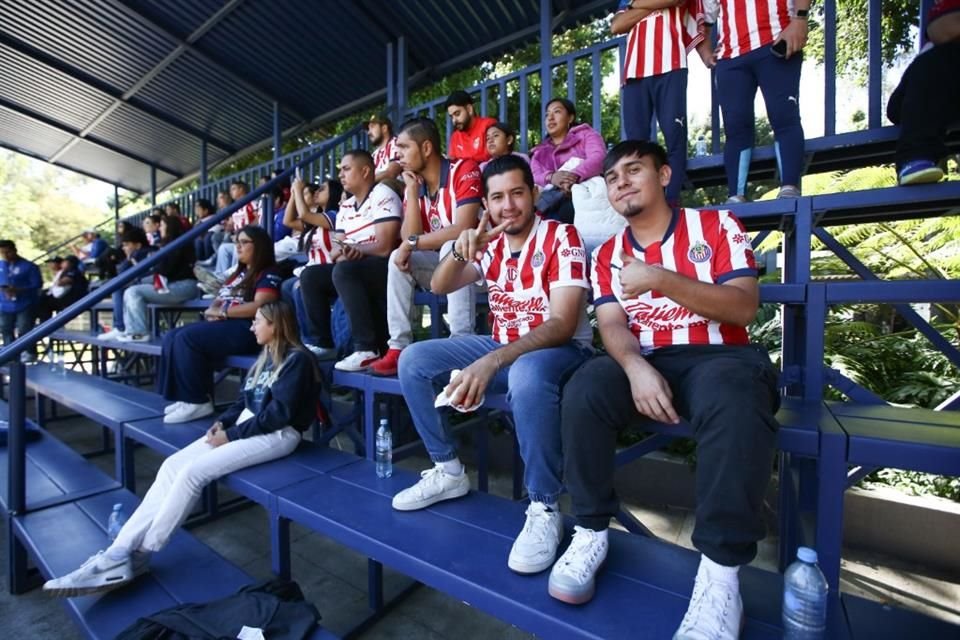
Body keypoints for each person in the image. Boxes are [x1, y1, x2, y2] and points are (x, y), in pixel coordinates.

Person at [549, 142, 778, 640]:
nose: (621, 183)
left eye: (634, 171)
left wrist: (659, 278)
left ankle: (720, 574)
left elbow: (742, 309)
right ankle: (590, 530)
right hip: (647, 359)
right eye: (612, 177)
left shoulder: (715, 227)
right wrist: (634, 367)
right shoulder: (608, 253)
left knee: (737, 398)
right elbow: (611, 323)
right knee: (585, 385)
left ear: (665, 174)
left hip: (720, 358)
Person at [392, 155, 593, 576]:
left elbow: (561, 324)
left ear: (535, 195)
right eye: (498, 197)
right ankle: (447, 469)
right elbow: (438, 284)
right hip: (502, 346)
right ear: (486, 204)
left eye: (517, 193)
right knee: (414, 359)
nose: (509, 206)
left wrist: (491, 361)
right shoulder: (493, 242)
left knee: (524, 372)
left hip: (558, 354)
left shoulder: (561, 235)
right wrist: (463, 248)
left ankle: (544, 505)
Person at [42, 300, 320, 597]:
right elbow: (242, 403)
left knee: (191, 473)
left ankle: (142, 553)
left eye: (257, 321)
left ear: (275, 325)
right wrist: (221, 424)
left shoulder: (297, 360)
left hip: (277, 434)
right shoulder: (264, 356)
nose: (251, 326)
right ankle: (118, 551)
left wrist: (232, 435)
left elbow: (278, 416)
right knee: (172, 465)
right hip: (246, 426)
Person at [368, 118, 483, 377]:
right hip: (447, 273)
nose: (398, 156)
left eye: (405, 148)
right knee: (397, 259)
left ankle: (460, 345)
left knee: (452, 247)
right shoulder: (417, 185)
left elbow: (464, 228)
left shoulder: (464, 169)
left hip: (485, 268)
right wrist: (410, 192)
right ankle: (398, 347)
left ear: (427, 148)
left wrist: (412, 243)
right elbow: (409, 238)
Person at [160, 225, 282, 424]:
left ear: (259, 246)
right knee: (171, 336)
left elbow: (261, 305)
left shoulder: (268, 272)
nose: (238, 247)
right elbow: (220, 297)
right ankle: (183, 397)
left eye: (244, 242)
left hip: (248, 329)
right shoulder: (238, 274)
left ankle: (198, 401)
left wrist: (224, 312)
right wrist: (212, 310)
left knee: (186, 338)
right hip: (227, 325)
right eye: (237, 242)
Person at [698, 0, 809, 203]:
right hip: (731, 57)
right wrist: (705, 53)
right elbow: (703, 17)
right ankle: (735, 196)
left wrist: (799, 19)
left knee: (783, 115)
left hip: (776, 41)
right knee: (736, 126)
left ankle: (789, 188)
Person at [299, 150, 402, 366]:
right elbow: (336, 251)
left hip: (387, 266)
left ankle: (366, 348)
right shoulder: (345, 206)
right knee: (310, 276)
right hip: (355, 265)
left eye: (346, 169)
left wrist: (358, 249)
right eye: (340, 171)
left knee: (344, 271)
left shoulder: (383, 194)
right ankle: (323, 343)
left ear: (365, 171)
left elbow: (385, 247)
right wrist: (348, 251)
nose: (341, 175)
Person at [614, 0, 704, 205]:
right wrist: (655, 5)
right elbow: (617, 25)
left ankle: (671, 200)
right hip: (634, 73)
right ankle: (641, 200)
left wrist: (636, 5)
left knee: (675, 136)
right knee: (635, 144)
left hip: (671, 65)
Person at [887, 0, 960, 185]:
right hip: (930, 90)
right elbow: (943, 29)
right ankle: (915, 157)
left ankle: (916, 155)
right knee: (933, 63)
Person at [109, 217, 199, 343]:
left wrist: (145, 273)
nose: (160, 228)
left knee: (133, 291)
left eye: (162, 225)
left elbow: (165, 270)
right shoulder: (168, 245)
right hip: (174, 285)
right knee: (130, 290)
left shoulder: (178, 244)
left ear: (170, 227)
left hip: (185, 286)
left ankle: (139, 332)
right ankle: (130, 331)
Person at [282, 178, 344, 349]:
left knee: (300, 286)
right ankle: (301, 337)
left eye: (322, 189)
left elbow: (303, 214)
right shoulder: (313, 224)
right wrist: (295, 193)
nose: (317, 192)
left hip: (332, 271)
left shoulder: (335, 215)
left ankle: (319, 341)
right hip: (313, 274)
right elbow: (288, 221)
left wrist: (298, 189)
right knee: (287, 286)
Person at [529, 98, 606, 223]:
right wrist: (552, 177)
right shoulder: (539, 152)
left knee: (568, 209)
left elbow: (598, 158)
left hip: (587, 195)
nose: (550, 118)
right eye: (547, 114)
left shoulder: (586, 135)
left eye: (557, 112)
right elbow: (533, 176)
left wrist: (571, 177)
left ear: (570, 118)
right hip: (550, 204)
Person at [99, 227, 157, 340]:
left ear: (138, 245)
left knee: (118, 287)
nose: (124, 248)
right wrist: (129, 258)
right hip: (144, 286)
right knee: (119, 287)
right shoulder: (135, 255)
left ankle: (121, 328)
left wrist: (130, 258)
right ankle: (121, 328)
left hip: (156, 286)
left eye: (126, 245)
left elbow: (123, 273)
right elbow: (121, 273)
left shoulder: (146, 252)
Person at [0, 240, 42, 356]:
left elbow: (37, 284)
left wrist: (18, 289)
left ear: (14, 250)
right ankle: (9, 353)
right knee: (5, 328)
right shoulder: (1, 266)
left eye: (8, 252)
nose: (6, 256)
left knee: (24, 328)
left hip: (24, 303)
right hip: (5, 303)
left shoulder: (29, 266)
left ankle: (29, 352)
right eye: (3, 253)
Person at [446, 90, 497, 164]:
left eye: (457, 114)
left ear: (469, 109)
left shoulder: (488, 125)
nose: (454, 121)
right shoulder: (455, 137)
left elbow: (494, 156)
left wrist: (465, 163)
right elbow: (453, 164)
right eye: (451, 117)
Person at [36, 255, 88, 322]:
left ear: (69, 263)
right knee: (40, 298)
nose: (63, 264)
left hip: (73, 298)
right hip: (66, 297)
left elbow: (61, 283)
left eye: (65, 262)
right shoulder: (64, 272)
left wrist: (58, 279)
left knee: (43, 301)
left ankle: (45, 324)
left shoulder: (73, 271)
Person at [368, 113, 404, 183]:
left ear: (384, 128)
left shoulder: (397, 143)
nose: (369, 132)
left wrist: (364, 183)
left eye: (372, 127)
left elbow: (391, 173)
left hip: (396, 191)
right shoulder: (374, 155)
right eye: (368, 129)